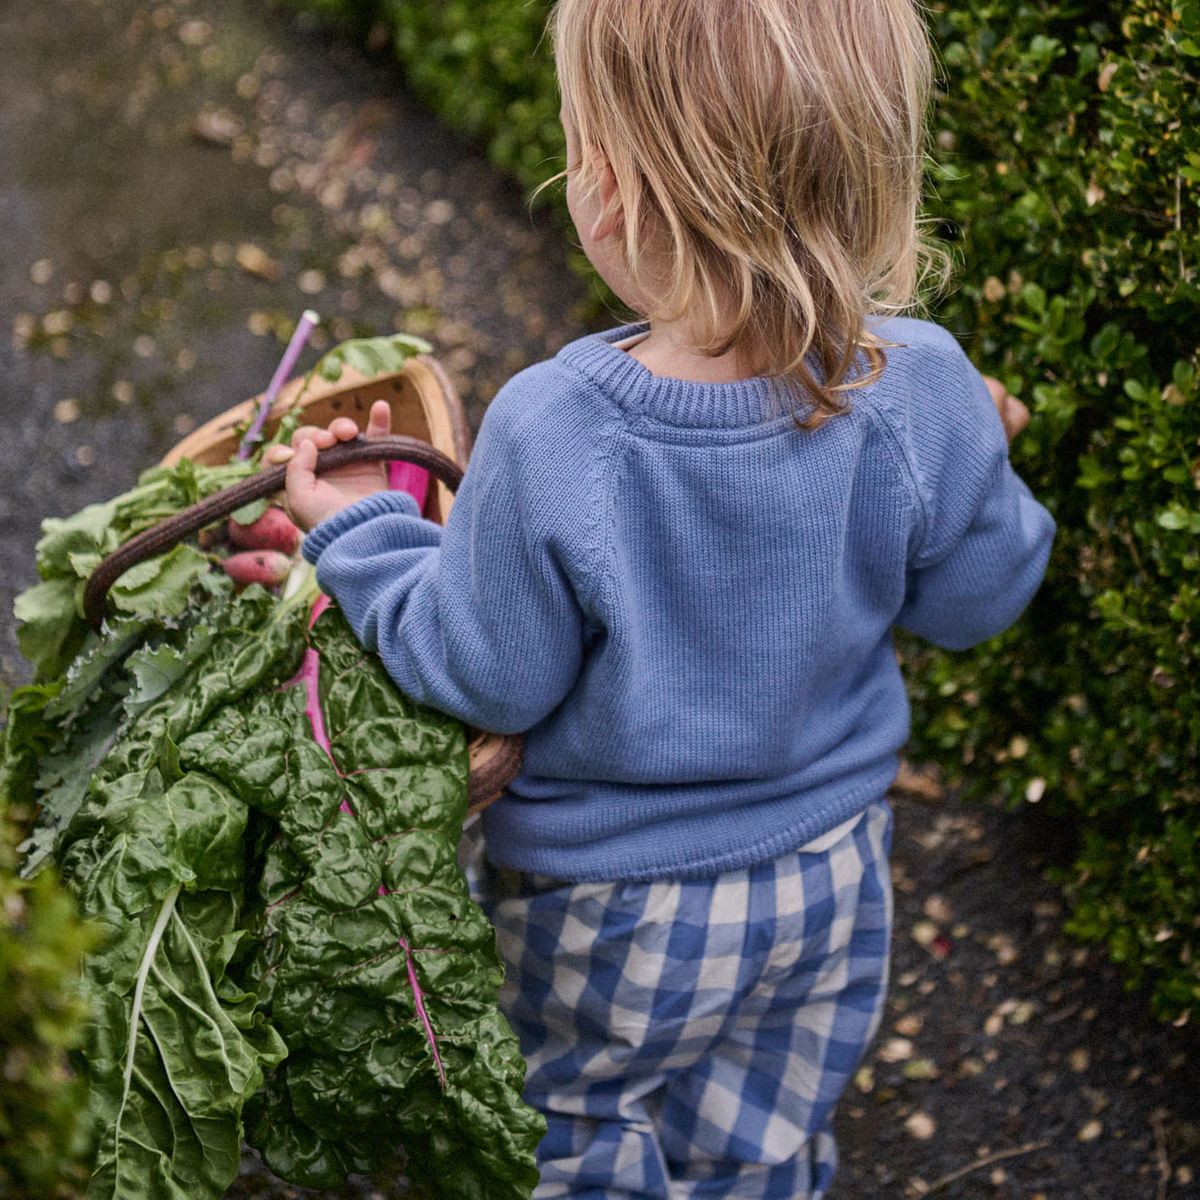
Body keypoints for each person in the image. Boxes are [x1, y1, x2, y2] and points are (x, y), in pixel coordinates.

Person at [264, 0, 1055, 1194]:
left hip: (607, 907)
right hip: (830, 876)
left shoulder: (559, 425)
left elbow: (489, 672)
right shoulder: (924, 385)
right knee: (763, 1141)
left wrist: (363, 532)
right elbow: (975, 602)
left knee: (577, 1135)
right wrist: (981, 456)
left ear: (612, 192)